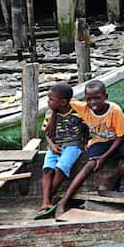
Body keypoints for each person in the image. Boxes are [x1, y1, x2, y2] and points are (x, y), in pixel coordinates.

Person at [55, 80, 124, 217]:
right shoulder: (83, 108)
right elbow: (61, 102)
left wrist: (105, 156)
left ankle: (113, 179)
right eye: (89, 99)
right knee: (89, 167)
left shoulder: (114, 110)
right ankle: (63, 202)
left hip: (118, 141)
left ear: (105, 96)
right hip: (99, 142)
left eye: (97, 98)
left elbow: (121, 136)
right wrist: (52, 116)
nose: (93, 102)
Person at [38, 82, 87, 217]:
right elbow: (47, 134)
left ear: (63, 102)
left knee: (60, 168)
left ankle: (49, 197)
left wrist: (85, 142)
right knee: (47, 169)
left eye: (51, 99)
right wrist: (52, 145)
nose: (48, 102)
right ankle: (45, 201)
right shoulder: (50, 114)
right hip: (55, 145)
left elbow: (87, 127)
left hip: (73, 145)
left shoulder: (78, 112)